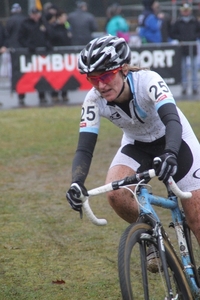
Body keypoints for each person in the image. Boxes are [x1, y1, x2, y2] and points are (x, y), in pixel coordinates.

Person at [66, 35, 200, 257]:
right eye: (93, 78)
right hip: (136, 144)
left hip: (175, 139)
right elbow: (84, 148)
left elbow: (172, 121)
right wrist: (76, 182)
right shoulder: (93, 100)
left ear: (124, 69)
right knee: (115, 194)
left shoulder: (148, 81)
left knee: (196, 215)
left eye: (107, 76)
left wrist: (171, 152)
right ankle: (155, 239)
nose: (101, 85)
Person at [18, 7, 52, 105]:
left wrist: (47, 45)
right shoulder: (25, 23)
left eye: (37, 14)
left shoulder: (43, 22)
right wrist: (27, 46)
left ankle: (42, 96)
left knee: (41, 77)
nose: (36, 16)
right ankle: (21, 97)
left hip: (41, 54)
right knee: (25, 76)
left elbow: (49, 35)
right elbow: (20, 38)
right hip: (29, 54)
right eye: (34, 14)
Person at [170, 3, 200, 96]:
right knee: (183, 68)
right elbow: (172, 33)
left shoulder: (194, 21)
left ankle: (195, 86)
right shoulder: (178, 22)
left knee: (194, 67)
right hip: (182, 48)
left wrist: (193, 38)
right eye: (184, 10)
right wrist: (180, 39)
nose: (186, 12)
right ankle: (184, 86)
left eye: (187, 10)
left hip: (192, 46)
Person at [4, 3, 26, 105]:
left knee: (14, 70)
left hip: (14, 49)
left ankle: (16, 90)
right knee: (24, 70)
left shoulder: (10, 20)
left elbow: (6, 34)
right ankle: (22, 92)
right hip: (24, 48)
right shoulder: (24, 19)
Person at [49, 9, 72, 103]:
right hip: (55, 55)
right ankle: (54, 94)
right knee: (54, 76)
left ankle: (64, 93)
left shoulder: (66, 26)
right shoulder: (54, 27)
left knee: (64, 76)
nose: (65, 18)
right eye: (64, 17)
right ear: (59, 17)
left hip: (65, 55)